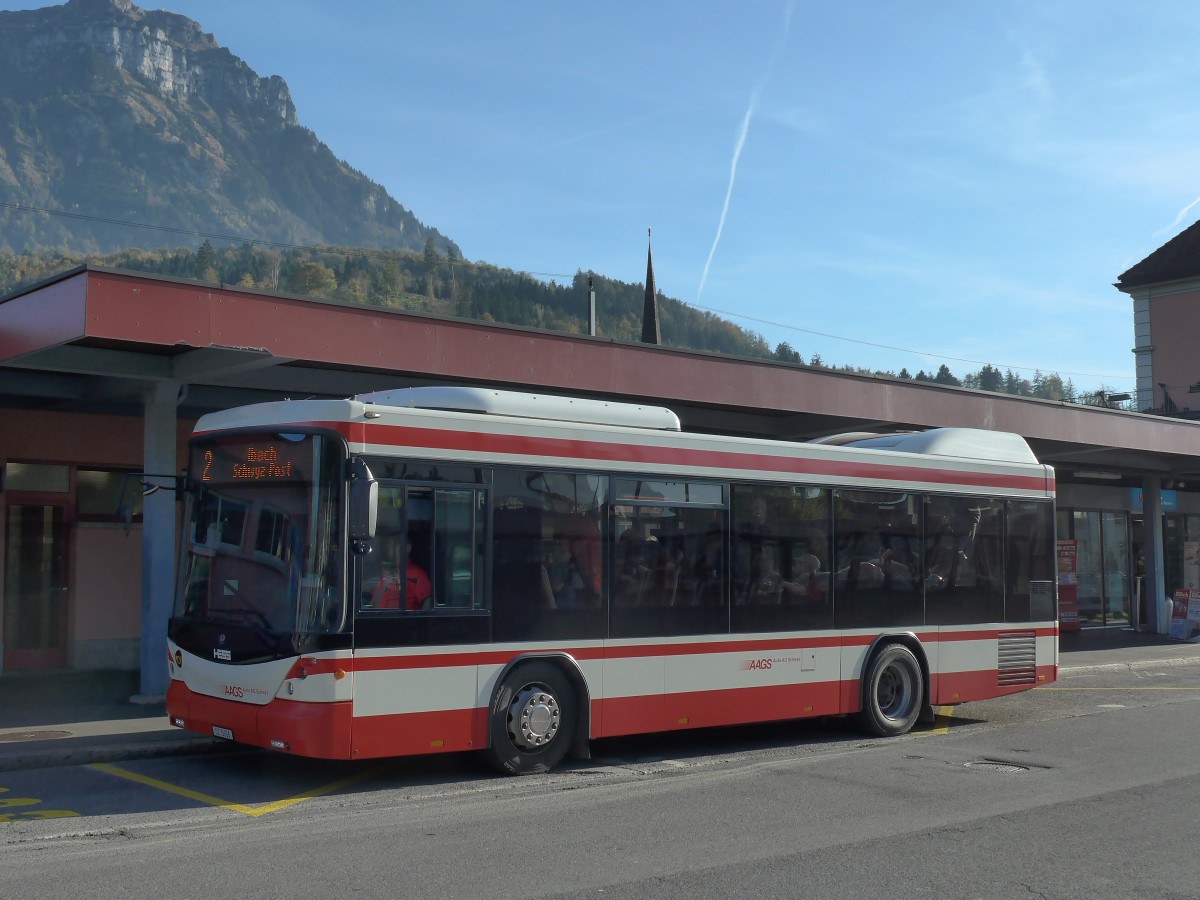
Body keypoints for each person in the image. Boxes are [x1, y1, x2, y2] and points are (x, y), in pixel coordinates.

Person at [371, 540, 432, 611]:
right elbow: (373, 605)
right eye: (390, 546)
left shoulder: (418, 575)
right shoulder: (386, 576)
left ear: (407, 547)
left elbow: (428, 606)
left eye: (396, 545)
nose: (391, 549)